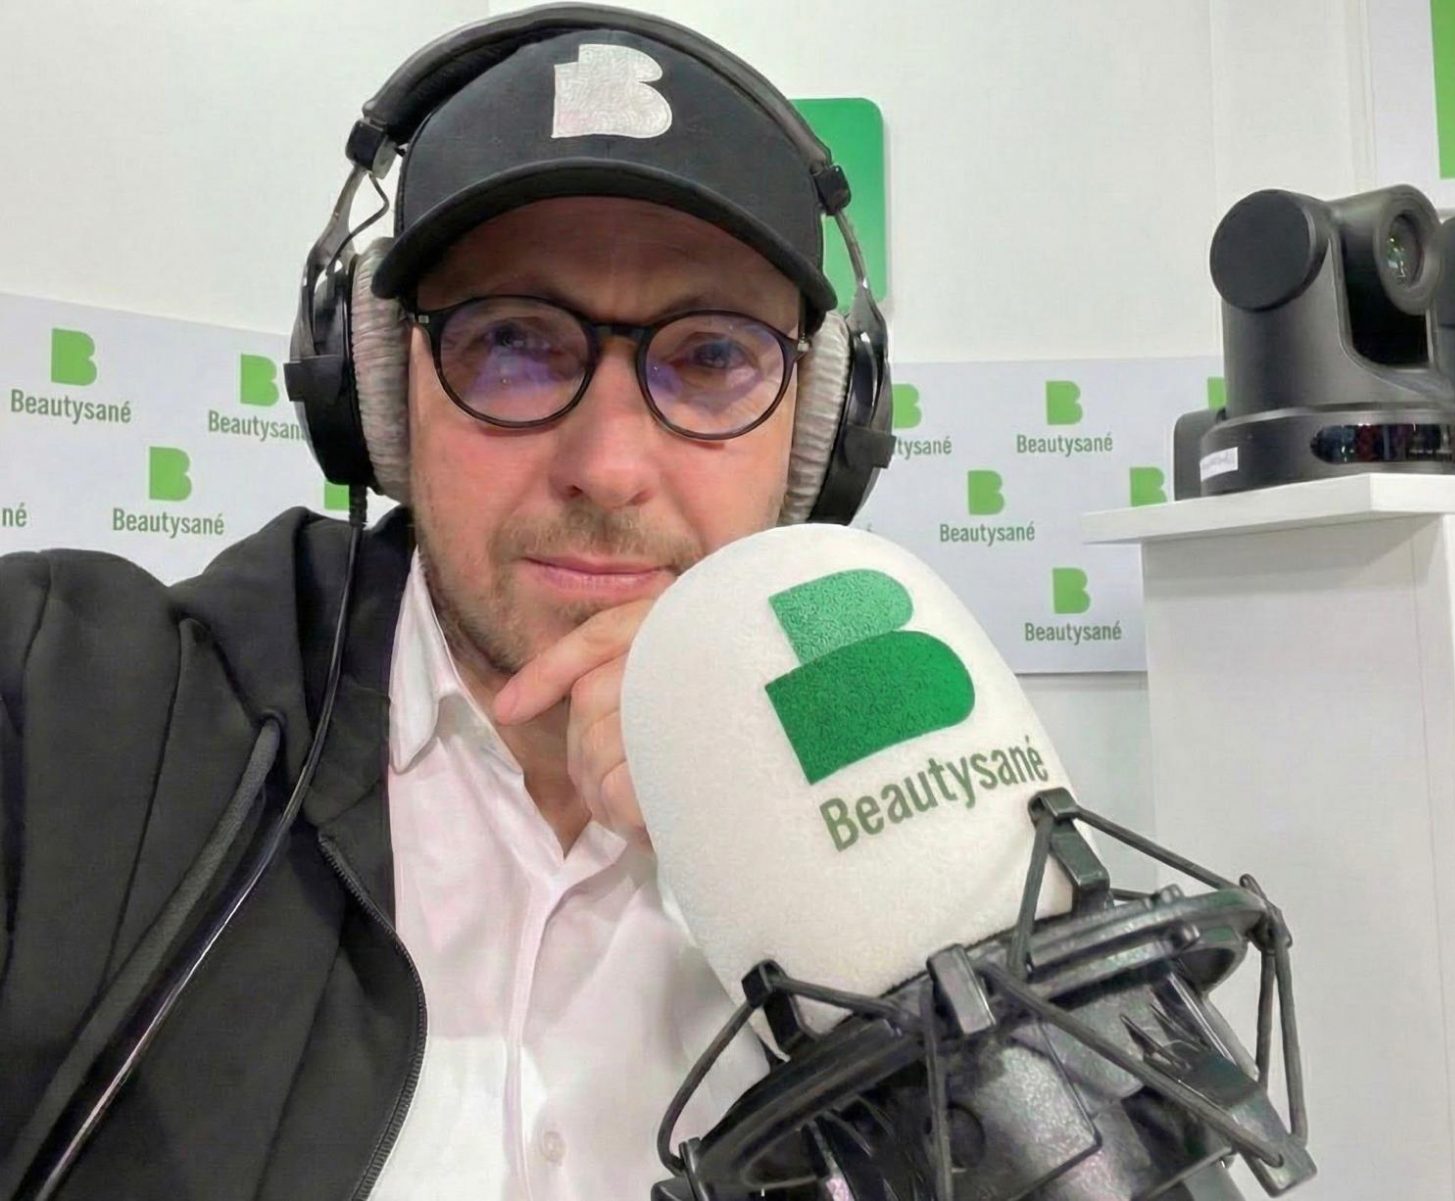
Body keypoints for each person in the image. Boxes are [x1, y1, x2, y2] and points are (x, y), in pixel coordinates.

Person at [0, 8, 890, 1200]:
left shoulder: (901, 788)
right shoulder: (65, 707)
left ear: (818, 429)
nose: (608, 466)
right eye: (513, 339)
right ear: (377, 390)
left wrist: (847, 875)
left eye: (711, 356)